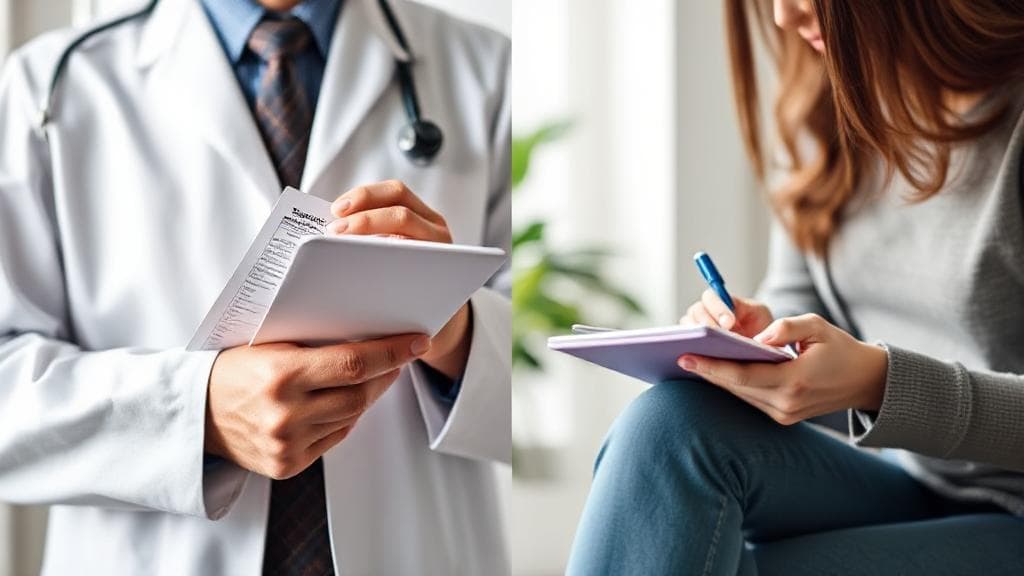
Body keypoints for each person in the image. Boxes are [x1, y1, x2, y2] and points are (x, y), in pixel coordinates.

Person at [0, 0, 510, 574]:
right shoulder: (48, 81)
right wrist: (196, 413)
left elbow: (552, 363)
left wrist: (459, 332)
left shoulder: (484, 66)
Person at [567, 0, 1024, 574]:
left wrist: (879, 383)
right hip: (918, 482)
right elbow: (801, 319)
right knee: (668, 428)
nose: (782, 15)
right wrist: (763, 344)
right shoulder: (836, 113)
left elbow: (866, 384)